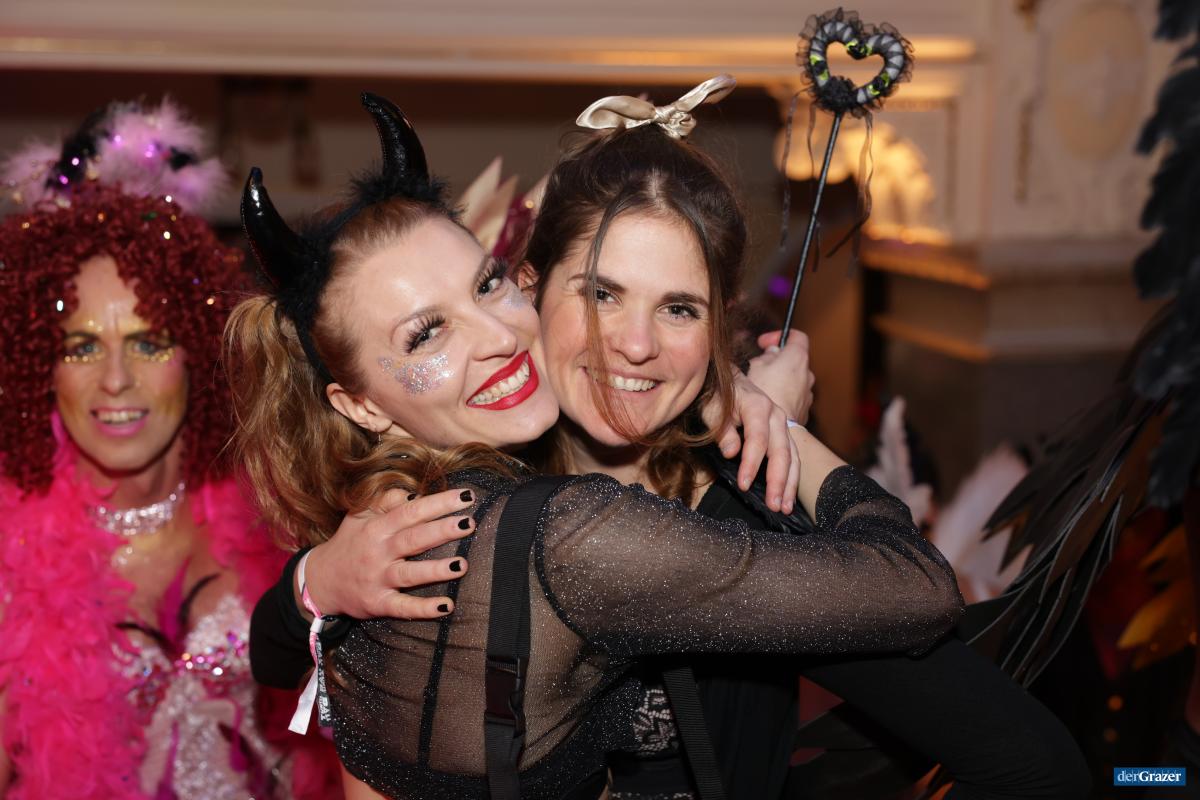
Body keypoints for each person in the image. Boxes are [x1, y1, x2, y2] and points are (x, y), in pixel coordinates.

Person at [248, 82, 1092, 800]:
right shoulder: (425, 503)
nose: (635, 345)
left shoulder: (753, 510)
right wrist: (313, 580)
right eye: (601, 293)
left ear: (719, 331)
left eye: (679, 309)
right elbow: (283, 656)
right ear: (537, 287)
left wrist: (784, 438)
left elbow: (1032, 763)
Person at [0, 101, 333, 800]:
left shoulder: (284, 508)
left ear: (196, 355)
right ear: (39, 367)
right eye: (80, 347)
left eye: (149, 343)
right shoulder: (8, 554)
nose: (115, 380)